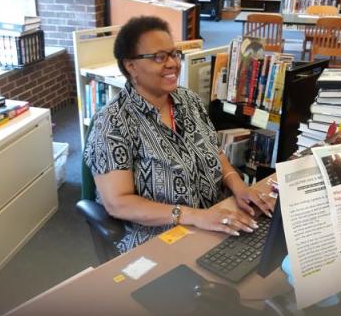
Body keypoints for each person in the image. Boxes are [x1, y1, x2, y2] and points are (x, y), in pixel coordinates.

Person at [84, 16, 275, 253]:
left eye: (174, 54)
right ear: (130, 66)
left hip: (216, 219)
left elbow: (214, 152)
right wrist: (193, 216)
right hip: (159, 236)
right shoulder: (112, 123)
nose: (173, 63)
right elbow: (118, 203)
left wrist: (239, 187)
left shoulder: (189, 100)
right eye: (158, 57)